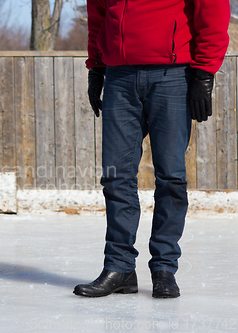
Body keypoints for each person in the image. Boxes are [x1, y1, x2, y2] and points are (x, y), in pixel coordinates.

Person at [74, 1, 230, 298]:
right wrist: (96, 67)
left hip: (172, 76)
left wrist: (204, 72)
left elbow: (212, 11)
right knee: (116, 176)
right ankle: (119, 268)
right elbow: (98, 15)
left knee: (171, 176)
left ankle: (164, 269)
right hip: (120, 77)